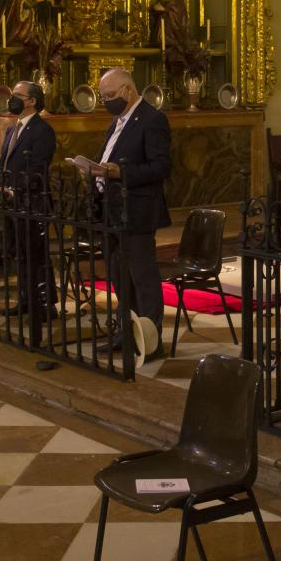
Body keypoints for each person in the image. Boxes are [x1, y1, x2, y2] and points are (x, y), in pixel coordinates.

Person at [92, 68, 172, 359]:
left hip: (137, 210)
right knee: (118, 275)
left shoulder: (152, 119)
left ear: (128, 90)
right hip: (112, 210)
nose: (107, 101)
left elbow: (161, 167)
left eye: (110, 95)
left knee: (143, 276)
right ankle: (126, 332)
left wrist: (120, 171)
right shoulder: (118, 121)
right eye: (103, 97)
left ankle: (151, 340)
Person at [0, 81, 57, 345]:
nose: (12, 100)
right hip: (10, 200)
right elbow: (4, 161)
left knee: (36, 253)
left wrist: (16, 188)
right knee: (19, 252)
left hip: (32, 201)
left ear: (31, 101)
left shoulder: (42, 130)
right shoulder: (12, 128)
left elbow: (37, 165)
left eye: (17, 96)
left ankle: (46, 303)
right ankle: (26, 298)